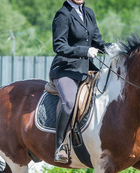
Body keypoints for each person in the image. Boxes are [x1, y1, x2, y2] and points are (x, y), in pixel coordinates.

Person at [49, 0, 111, 164]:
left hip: (87, 68)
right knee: (69, 102)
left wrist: (110, 47)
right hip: (66, 68)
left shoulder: (88, 12)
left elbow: (96, 40)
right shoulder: (63, 14)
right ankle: (60, 145)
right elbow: (59, 45)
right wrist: (84, 50)